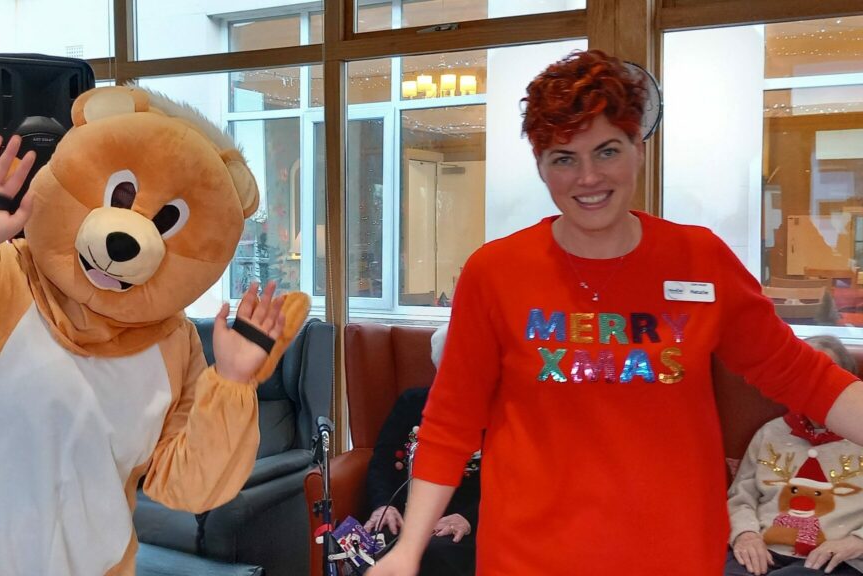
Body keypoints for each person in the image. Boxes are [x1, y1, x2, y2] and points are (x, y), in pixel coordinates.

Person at [368, 49, 863, 576]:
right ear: (540, 165)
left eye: (606, 151)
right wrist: (406, 551)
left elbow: (803, 375)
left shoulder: (700, 260)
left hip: (672, 555)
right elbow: (451, 423)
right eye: (564, 158)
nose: (588, 177)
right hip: (529, 556)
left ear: (637, 149)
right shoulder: (496, 272)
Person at [727, 336, 863, 576]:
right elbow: (741, 497)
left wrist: (857, 541)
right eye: (804, 380)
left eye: (824, 381)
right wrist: (745, 534)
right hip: (764, 550)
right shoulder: (771, 432)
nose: (814, 389)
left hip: (837, 559)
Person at [363, 325, 480, 575]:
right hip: (404, 514)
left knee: (435, 553)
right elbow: (382, 461)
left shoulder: (496, 412)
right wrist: (383, 505)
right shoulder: (411, 402)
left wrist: (468, 519)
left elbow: (508, 482)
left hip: (464, 522)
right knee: (372, 545)